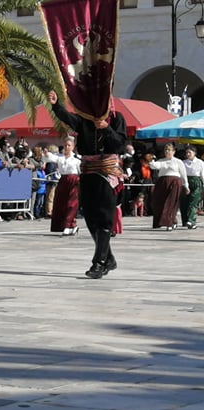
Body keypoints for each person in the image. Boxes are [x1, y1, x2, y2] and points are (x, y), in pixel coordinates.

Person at [48, 90, 127, 279]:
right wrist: (56, 105)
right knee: (90, 217)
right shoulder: (84, 120)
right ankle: (108, 258)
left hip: (107, 173)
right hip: (88, 172)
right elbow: (67, 118)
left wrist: (106, 128)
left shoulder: (117, 118)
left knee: (104, 218)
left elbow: (119, 145)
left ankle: (98, 263)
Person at [148, 143, 189, 231]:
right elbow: (154, 166)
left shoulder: (178, 162)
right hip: (162, 182)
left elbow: (183, 175)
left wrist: (186, 186)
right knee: (158, 202)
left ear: (173, 151)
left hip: (175, 182)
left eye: (169, 150)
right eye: (166, 150)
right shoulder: (161, 161)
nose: (167, 152)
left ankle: (169, 223)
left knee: (170, 203)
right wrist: (152, 161)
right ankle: (171, 221)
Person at [49, 137, 81, 236]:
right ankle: (72, 225)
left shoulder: (76, 160)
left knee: (71, 204)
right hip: (63, 181)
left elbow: (81, 171)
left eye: (69, 145)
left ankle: (67, 226)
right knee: (61, 203)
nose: (67, 147)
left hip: (74, 181)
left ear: (73, 147)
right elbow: (50, 158)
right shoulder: (60, 158)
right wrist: (46, 154)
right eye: (65, 145)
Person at [180, 145, 203, 229]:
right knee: (184, 202)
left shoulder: (200, 162)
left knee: (193, 202)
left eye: (190, 152)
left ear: (194, 153)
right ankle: (185, 221)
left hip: (196, 182)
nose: (188, 154)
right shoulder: (183, 162)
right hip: (185, 181)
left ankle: (191, 220)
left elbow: (202, 175)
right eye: (187, 152)